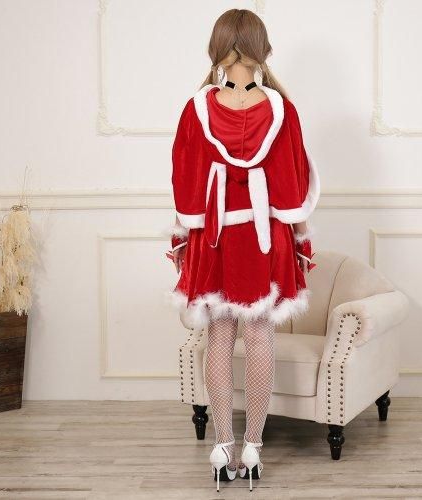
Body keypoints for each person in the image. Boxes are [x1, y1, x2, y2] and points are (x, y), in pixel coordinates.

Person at [165, 8, 320, 492]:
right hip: (263, 236)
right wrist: (300, 239)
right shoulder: (282, 110)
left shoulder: (196, 109)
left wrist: (184, 237)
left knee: (218, 338)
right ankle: (252, 448)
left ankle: (221, 449)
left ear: (218, 50)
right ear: (261, 49)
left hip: (214, 236)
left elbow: (185, 181)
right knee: (259, 337)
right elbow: (293, 184)